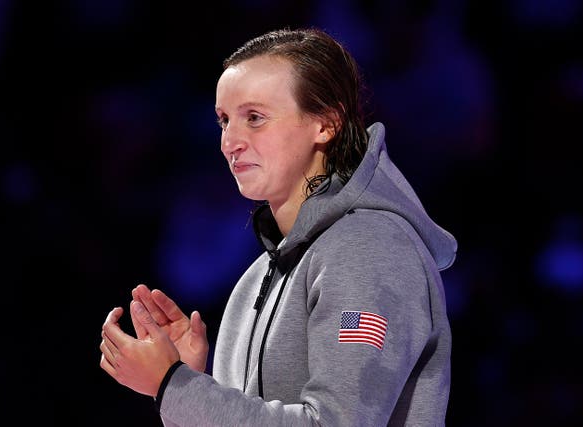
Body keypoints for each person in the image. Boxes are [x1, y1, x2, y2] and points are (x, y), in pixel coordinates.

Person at [99, 27, 457, 426]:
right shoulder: (254, 279)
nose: (229, 141)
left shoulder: (370, 249)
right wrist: (195, 384)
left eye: (254, 118)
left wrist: (175, 386)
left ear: (326, 123)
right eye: (223, 120)